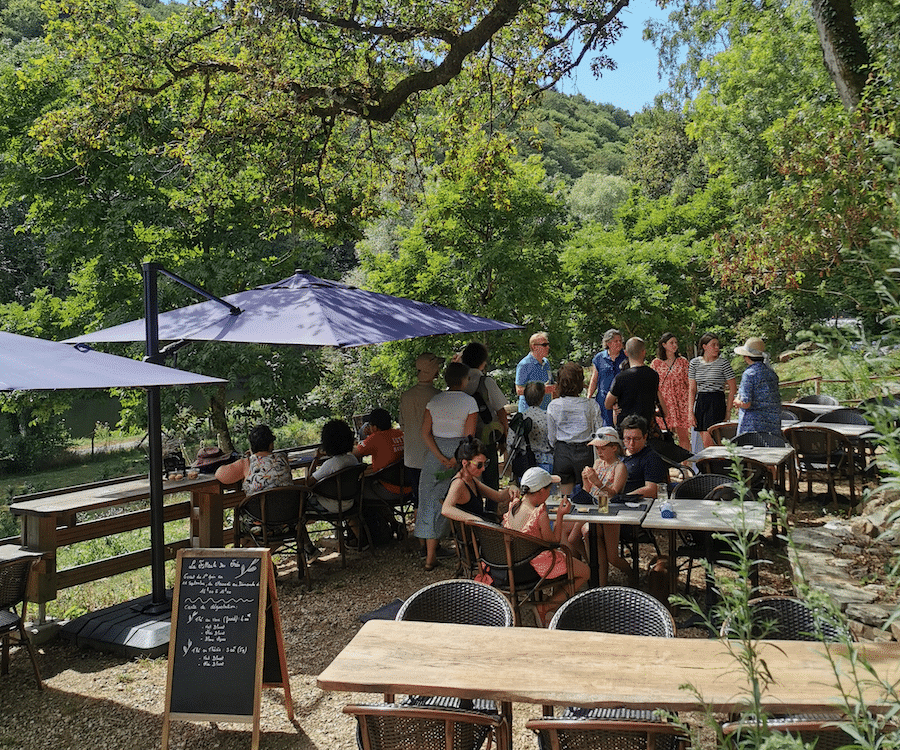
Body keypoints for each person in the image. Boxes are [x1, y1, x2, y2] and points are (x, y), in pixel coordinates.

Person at [503, 467, 590, 625]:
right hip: (536, 566)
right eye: (549, 489)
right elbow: (554, 541)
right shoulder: (539, 513)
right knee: (585, 571)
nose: (550, 492)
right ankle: (546, 607)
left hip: (515, 563)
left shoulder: (514, 505)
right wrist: (559, 516)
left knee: (565, 562)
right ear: (541, 491)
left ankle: (551, 609)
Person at [416, 361, 478, 571]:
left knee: (431, 500)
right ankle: (466, 551)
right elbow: (469, 436)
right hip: (459, 453)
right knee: (459, 500)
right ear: (463, 380)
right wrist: (454, 458)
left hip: (434, 455)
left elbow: (425, 432)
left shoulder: (434, 401)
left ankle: (430, 556)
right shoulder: (469, 402)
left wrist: (439, 456)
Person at [578, 427, 629, 585]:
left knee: (613, 557)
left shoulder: (620, 467)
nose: (599, 452)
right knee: (577, 536)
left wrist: (598, 483)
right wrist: (586, 481)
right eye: (597, 449)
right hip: (594, 508)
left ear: (614, 448)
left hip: (609, 509)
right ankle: (597, 575)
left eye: (603, 448)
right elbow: (588, 491)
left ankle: (631, 575)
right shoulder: (598, 463)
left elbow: (613, 493)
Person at [547, 362, 602, 497]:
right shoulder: (591, 405)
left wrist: (558, 446)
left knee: (563, 499)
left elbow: (551, 436)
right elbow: (598, 431)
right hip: (585, 451)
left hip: (562, 452)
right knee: (588, 495)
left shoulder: (554, 405)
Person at [305, 421, 363, 547]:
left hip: (331, 505)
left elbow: (308, 482)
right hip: (349, 501)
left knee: (302, 505)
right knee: (346, 511)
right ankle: (361, 540)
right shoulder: (352, 459)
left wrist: (316, 459)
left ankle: (308, 548)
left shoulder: (330, 465)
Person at [461, 341, 508, 492]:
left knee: (467, 477)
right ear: (483, 362)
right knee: (490, 477)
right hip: (487, 437)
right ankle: (492, 511)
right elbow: (501, 411)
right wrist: (503, 438)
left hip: (464, 439)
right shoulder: (487, 382)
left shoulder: (458, 383)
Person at [399, 352, 444, 510]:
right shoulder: (438, 396)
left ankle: (420, 534)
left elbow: (402, 425)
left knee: (418, 499)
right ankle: (436, 533)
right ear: (432, 371)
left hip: (412, 457)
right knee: (437, 497)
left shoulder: (406, 396)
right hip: (434, 455)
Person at [441, 437, 518, 524]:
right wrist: (475, 519)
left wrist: (511, 488)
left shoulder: (471, 480)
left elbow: (498, 496)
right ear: (465, 463)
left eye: (485, 464)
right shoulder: (459, 483)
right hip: (475, 533)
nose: (483, 469)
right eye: (479, 465)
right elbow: (446, 509)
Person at [688, 332, 737, 448]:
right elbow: (692, 389)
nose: (717, 348)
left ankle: (719, 464)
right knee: (705, 442)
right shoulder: (694, 363)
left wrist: (728, 411)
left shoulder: (723, 363)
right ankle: (711, 465)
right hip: (701, 402)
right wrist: (690, 412)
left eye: (717, 345)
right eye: (713, 345)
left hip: (716, 401)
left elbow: (733, 387)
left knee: (714, 441)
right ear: (704, 346)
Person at [215, 423, 293, 493]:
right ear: (271, 444)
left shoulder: (247, 463)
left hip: (258, 508)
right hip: (288, 507)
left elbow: (219, 475)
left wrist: (249, 456)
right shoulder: (282, 458)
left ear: (251, 446)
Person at [605, 337, 662, 429]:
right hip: (646, 425)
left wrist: (615, 407)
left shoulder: (620, 377)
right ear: (644, 352)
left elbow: (607, 404)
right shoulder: (653, 375)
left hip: (626, 426)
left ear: (626, 353)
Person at [353, 408, 405, 500]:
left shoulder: (375, 438)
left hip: (388, 489)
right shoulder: (400, 434)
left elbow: (355, 453)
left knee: (355, 490)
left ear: (374, 427)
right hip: (408, 487)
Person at [733, 337, 781, 435]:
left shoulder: (749, 374)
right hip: (772, 424)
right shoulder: (771, 372)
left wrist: (737, 402)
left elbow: (746, 403)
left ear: (746, 356)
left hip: (752, 427)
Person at [651, 332, 691, 447]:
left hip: (681, 403)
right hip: (665, 403)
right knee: (663, 436)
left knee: (683, 436)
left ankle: (685, 463)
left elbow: (689, 383)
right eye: (671, 343)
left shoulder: (682, 362)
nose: (674, 345)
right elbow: (653, 385)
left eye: (676, 343)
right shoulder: (656, 363)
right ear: (664, 345)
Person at [507, 381, 553, 473]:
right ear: (541, 398)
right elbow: (553, 440)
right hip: (546, 461)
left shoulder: (519, 419)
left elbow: (510, 442)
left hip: (524, 462)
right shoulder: (547, 417)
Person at [620, 415, 667, 499]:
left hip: (634, 503)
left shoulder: (651, 458)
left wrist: (624, 497)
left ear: (645, 437)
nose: (631, 443)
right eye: (627, 438)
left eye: (636, 439)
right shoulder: (618, 454)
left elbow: (652, 490)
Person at [588, 329, 627, 427]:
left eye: (620, 341)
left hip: (621, 401)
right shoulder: (599, 358)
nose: (619, 343)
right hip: (603, 400)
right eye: (616, 341)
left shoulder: (626, 358)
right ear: (608, 343)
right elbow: (594, 379)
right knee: (604, 429)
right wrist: (588, 398)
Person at [515, 332, 555, 412]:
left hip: (545, 411)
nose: (548, 347)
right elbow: (519, 390)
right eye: (544, 345)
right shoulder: (524, 364)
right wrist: (541, 390)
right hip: (528, 413)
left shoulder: (546, 363)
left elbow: (550, 382)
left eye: (548, 344)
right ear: (534, 347)